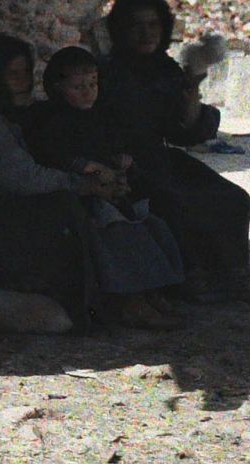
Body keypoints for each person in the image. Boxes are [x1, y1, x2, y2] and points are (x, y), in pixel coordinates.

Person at [0, 33, 111, 329]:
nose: (24, 82)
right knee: (62, 208)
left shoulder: (8, 117)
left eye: (26, 73)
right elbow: (24, 178)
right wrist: (81, 184)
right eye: (13, 75)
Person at [96, 0, 250, 306]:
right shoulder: (106, 73)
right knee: (175, 202)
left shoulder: (165, 69)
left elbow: (183, 134)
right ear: (121, 29)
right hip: (122, 163)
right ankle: (190, 279)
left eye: (154, 25)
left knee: (234, 199)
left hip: (160, 157)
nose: (147, 33)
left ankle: (233, 274)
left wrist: (192, 100)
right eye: (137, 26)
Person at [24, 46, 185, 328]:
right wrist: (89, 168)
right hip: (79, 197)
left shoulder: (101, 117)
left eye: (92, 84)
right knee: (121, 232)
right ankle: (131, 301)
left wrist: (121, 162)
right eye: (77, 86)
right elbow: (54, 156)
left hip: (112, 193)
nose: (88, 92)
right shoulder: (51, 120)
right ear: (58, 87)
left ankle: (152, 292)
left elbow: (114, 146)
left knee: (153, 225)